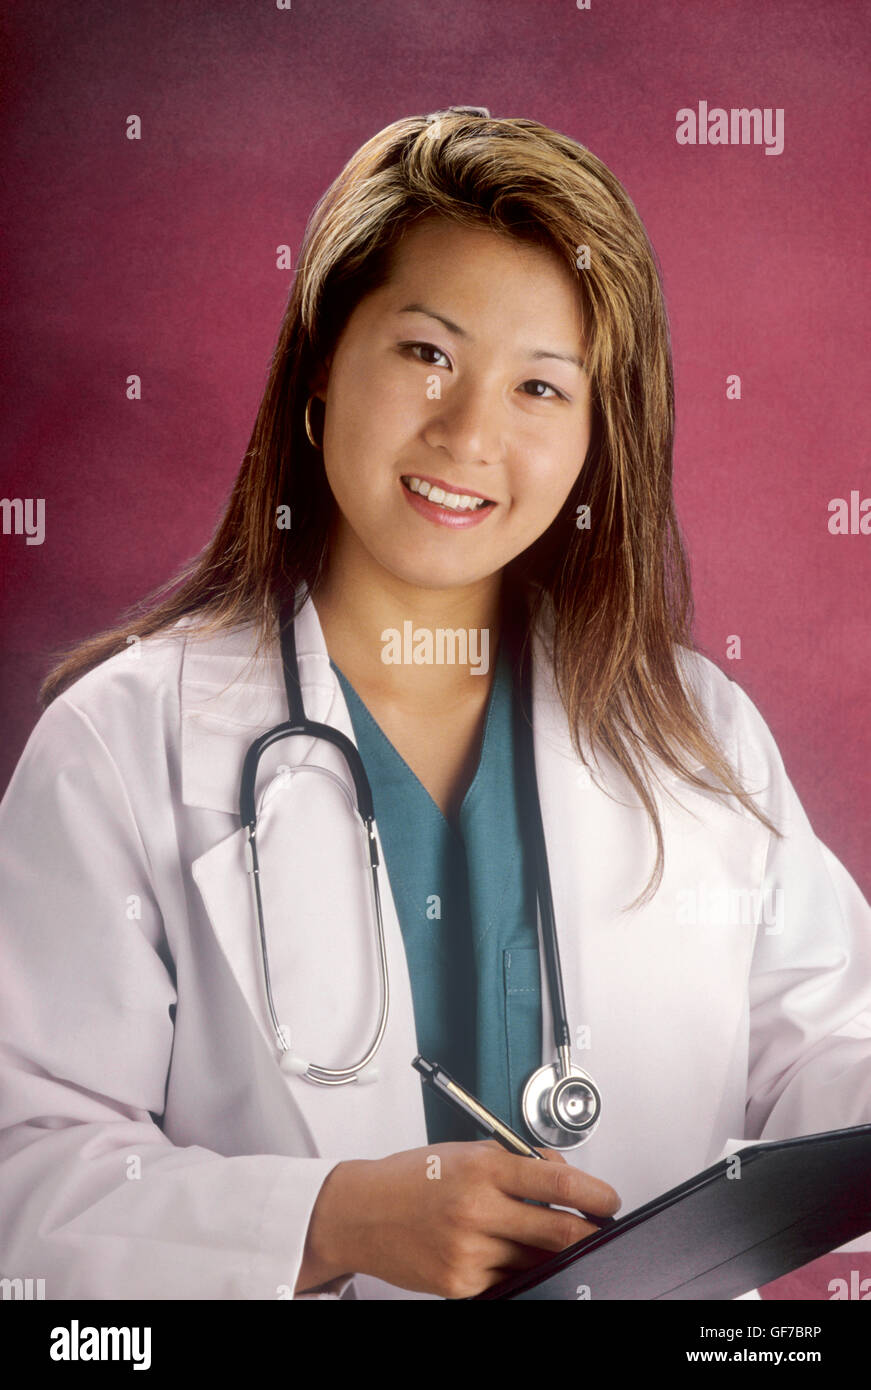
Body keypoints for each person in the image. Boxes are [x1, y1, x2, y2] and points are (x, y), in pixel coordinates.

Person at [1, 107, 869, 1302]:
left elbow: (833, 1061)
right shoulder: (122, 744)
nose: (469, 435)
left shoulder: (694, 733)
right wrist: (327, 1219)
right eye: (426, 353)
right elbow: (22, 1181)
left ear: (593, 442)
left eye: (540, 388)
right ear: (320, 361)